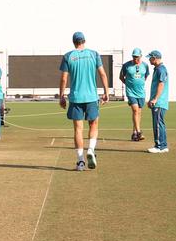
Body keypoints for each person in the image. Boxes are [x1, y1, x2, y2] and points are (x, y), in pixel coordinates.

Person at [58, 31, 108, 172]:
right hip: (92, 97)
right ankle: (91, 149)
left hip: (76, 98)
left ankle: (80, 162)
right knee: (94, 124)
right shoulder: (94, 54)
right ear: (84, 41)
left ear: (74, 42)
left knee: (78, 129)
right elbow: (103, 74)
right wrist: (106, 93)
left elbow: (63, 79)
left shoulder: (68, 56)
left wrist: (61, 96)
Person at [119, 48, 149, 142]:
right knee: (135, 110)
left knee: (139, 112)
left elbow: (146, 76)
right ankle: (139, 132)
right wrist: (128, 84)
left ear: (140, 56)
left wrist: (140, 84)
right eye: (134, 56)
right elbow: (121, 77)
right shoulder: (126, 65)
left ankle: (134, 133)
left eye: (137, 56)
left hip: (141, 92)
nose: (135, 58)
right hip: (131, 92)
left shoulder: (145, 65)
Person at [146, 50, 169, 153]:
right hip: (158, 101)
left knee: (158, 123)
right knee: (159, 123)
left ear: (155, 58)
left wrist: (155, 99)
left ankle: (159, 146)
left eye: (150, 58)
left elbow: (161, 84)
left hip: (159, 102)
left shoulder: (161, 69)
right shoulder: (158, 69)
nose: (149, 59)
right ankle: (163, 146)